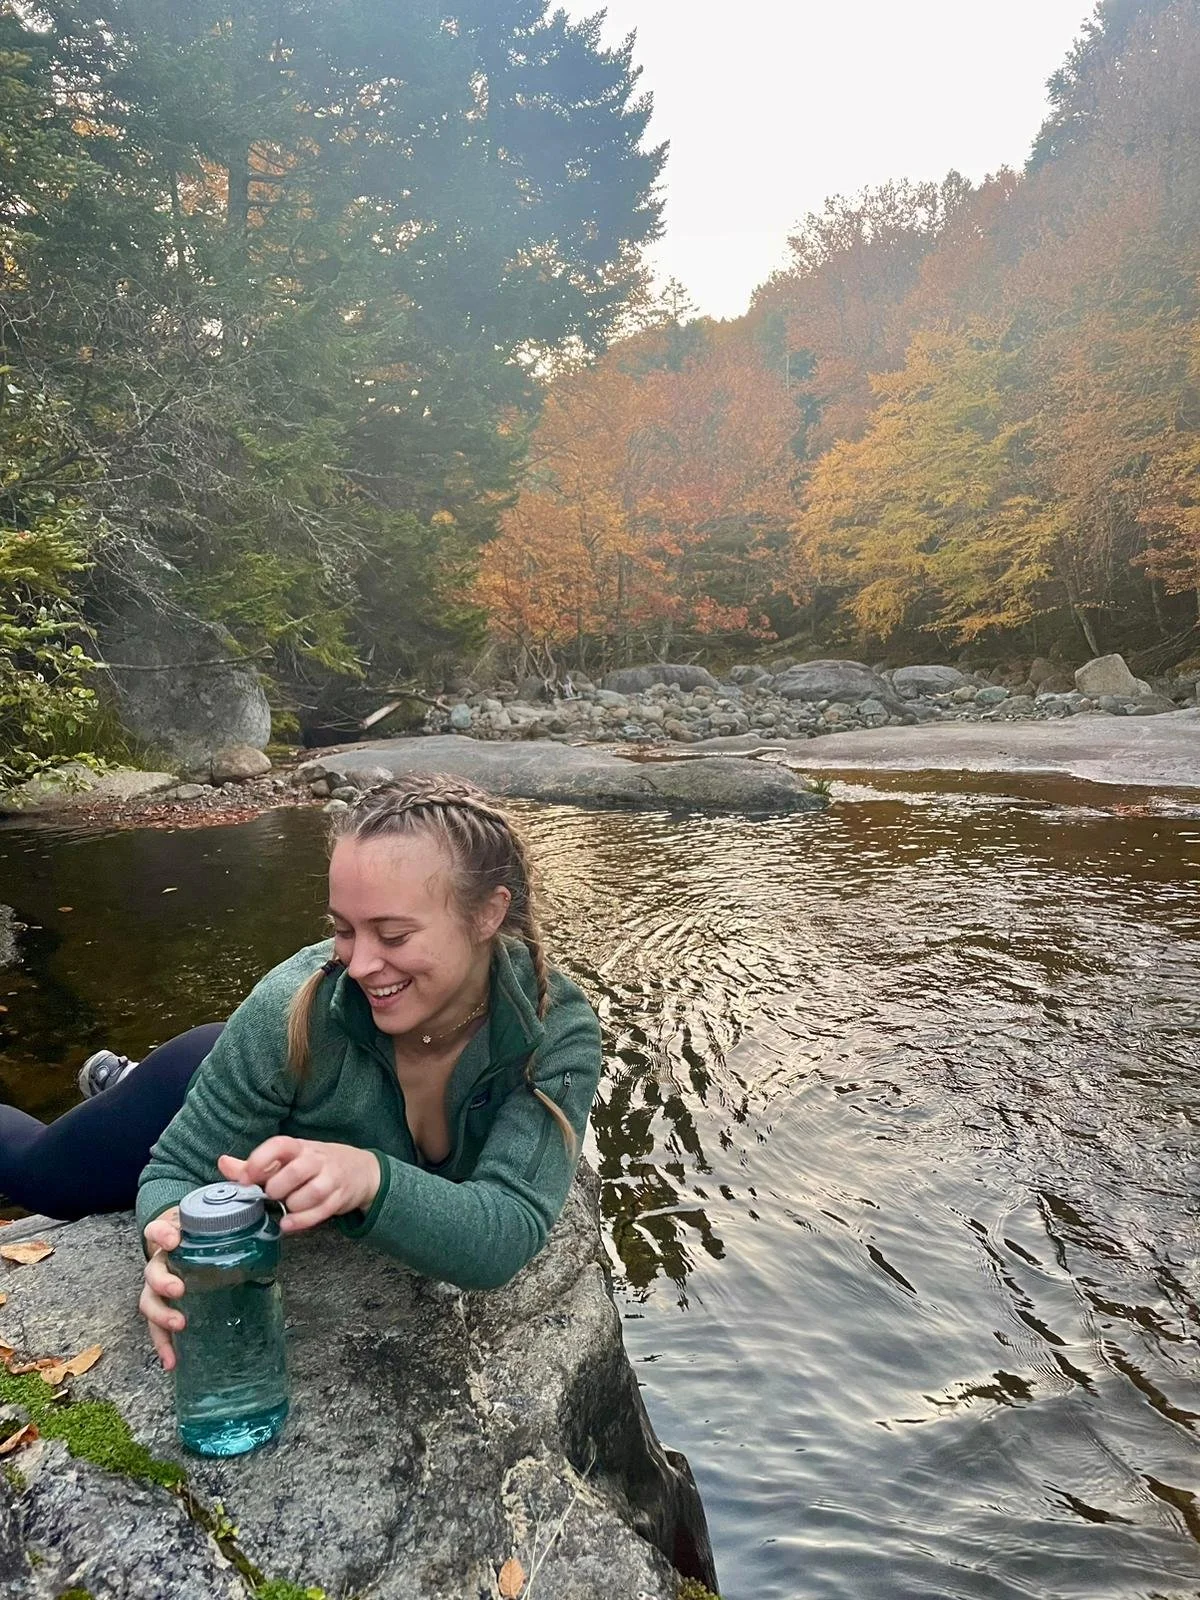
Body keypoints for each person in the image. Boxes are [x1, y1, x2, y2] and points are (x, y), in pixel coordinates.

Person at [1, 776, 603, 1368]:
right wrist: (171, 1245)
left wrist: (368, 1176)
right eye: (343, 930)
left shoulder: (553, 1033)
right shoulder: (290, 1007)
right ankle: (131, 1084)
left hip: (262, 1086)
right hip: (202, 1073)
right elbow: (179, 1168)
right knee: (42, 1177)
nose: (362, 964)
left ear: (487, 915)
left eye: (392, 934)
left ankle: (116, 1077)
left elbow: (506, 1229)